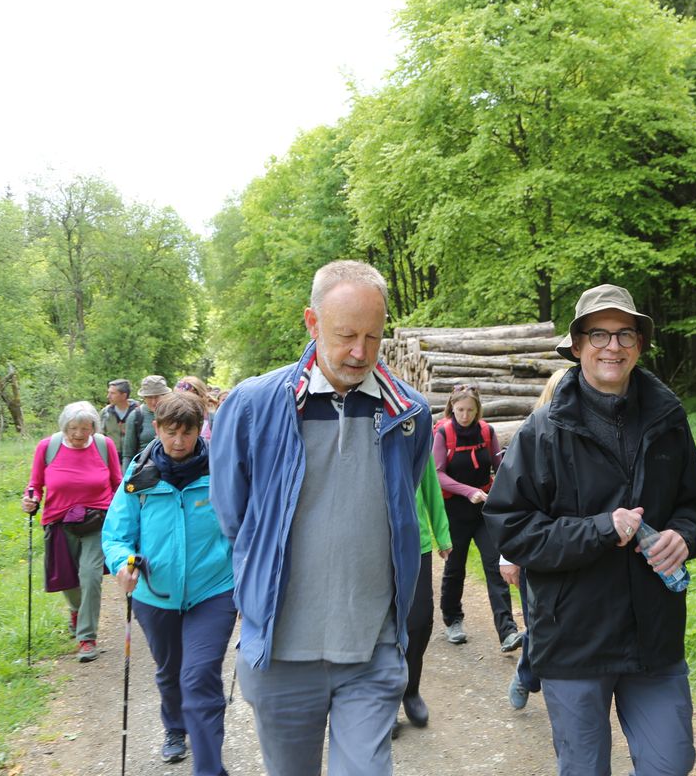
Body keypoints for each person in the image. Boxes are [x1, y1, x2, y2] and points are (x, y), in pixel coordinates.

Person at [210, 260, 432, 776]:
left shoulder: (410, 415)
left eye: (373, 337)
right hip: (283, 655)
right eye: (346, 335)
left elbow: (401, 507)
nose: (361, 352)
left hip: (371, 652)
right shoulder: (250, 406)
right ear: (311, 323)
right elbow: (233, 515)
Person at [484, 284, 696, 776]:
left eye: (625, 333)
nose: (613, 346)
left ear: (640, 345)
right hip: (574, 640)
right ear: (578, 346)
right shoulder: (541, 432)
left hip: (654, 634)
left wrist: (683, 537)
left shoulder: (669, 419)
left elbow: (693, 503)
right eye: (599, 334)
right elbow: (514, 530)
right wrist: (601, 529)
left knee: (671, 763)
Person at [102, 391, 236, 773]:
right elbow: (116, 534)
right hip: (154, 594)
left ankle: (210, 767)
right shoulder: (138, 476)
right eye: (171, 431)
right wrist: (122, 563)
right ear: (156, 428)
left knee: (200, 676)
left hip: (214, 591)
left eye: (187, 432)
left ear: (200, 431)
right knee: (169, 668)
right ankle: (175, 728)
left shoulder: (221, 470)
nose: (178, 442)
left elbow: (244, 523)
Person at [22, 400, 123, 662]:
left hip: (96, 521)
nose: (78, 434)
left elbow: (117, 482)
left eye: (85, 428)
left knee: (90, 575)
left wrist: (122, 512)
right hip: (59, 522)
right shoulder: (48, 447)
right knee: (69, 579)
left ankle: (87, 638)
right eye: (73, 428)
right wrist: (31, 498)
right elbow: (35, 484)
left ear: (94, 427)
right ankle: (77, 611)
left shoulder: (103, 445)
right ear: (64, 426)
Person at [434, 385, 522, 651]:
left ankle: (508, 631)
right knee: (455, 568)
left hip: (484, 510)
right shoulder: (443, 432)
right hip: (456, 511)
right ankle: (453, 620)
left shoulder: (486, 431)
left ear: (477, 410)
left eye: (470, 411)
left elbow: (499, 465)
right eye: (460, 410)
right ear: (452, 408)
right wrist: (468, 491)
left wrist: (505, 472)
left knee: (496, 565)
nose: (465, 416)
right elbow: (438, 474)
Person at [502, 366, 570, 710]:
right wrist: (507, 556)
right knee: (541, 626)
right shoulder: (529, 437)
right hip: (536, 552)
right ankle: (527, 676)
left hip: (578, 551)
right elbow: (510, 505)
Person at [397, 455, 452, 734]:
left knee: (419, 622)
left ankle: (411, 689)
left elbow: (430, 483)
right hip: (373, 546)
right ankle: (384, 700)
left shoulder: (412, 424)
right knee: (379, 627)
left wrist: (442, 534)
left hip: (416, 544)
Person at [123, 375, 171, 462]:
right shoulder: (136, 416)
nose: (153, 402)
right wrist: (128, 475)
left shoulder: (174, 414)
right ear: (144, 397)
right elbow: (128, 454)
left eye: (157, 396)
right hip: (143, 470)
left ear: (165, 395)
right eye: (149, 397)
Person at [100, 378, 140, 463]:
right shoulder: (105, 413)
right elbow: (100, 436)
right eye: (108, 392)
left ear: (124, 395)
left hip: (134, 459)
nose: (108, 396)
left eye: (112, 393)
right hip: (111, 458)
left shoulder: (138, 412)